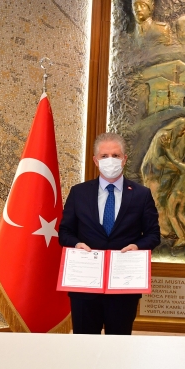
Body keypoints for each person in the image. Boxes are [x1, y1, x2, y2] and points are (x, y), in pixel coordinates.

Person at [58, 133, 161, 335]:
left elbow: (153, 235)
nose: (110, 160)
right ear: (96, 160)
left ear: (124, 159)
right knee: (85, 345)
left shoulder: (141, 194)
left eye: (115, 155)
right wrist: (77, 244)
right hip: (84, 288)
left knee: (119, 345)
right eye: (104, 156)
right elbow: (65, 232)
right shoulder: (79, 193)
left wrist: (137, 246)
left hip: (123, 288)